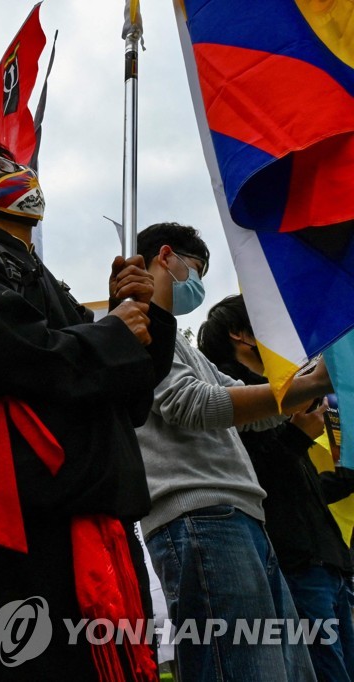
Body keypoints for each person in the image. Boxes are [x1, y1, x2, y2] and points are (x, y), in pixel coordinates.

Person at [0, 139, 177, 680]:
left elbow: (130, 400)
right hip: (23, 521)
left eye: (16, 166)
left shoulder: (52, 284)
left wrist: (139, 313)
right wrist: (109, 334)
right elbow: (19, 356)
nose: (18, 173)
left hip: (96, 516)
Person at [134, 222, 332, 681]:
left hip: (238, 515)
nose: (197, 285)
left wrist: (309, 381)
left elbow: (252, 406)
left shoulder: (180, 344)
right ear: (166, 257)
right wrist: (317, 382)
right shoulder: (136, 324)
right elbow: (194, 404)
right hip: (199, 516)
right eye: (195, 270)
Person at [198, 293, 354, 681]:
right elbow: (253, 476)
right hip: (293, 563)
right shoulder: (237, 399)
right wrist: (298, 436)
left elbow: (302, 486)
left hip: (328, 561)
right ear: (240, 333)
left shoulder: (284, 391)